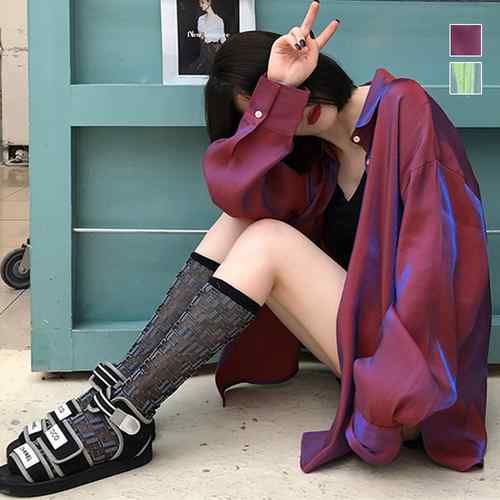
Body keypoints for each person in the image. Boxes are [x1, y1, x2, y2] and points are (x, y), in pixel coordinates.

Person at [0, 0, 489, 495]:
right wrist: (275, 97)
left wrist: (400, 388)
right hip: (370, 358)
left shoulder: (404, 106)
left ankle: (126, 410)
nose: (296, 112)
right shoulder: (319, 164)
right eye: (274, 106)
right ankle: (121, 395)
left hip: (419, 384)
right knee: (242, 219)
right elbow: (236, 194)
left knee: (268, 239)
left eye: (285, 93)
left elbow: (436, 266)